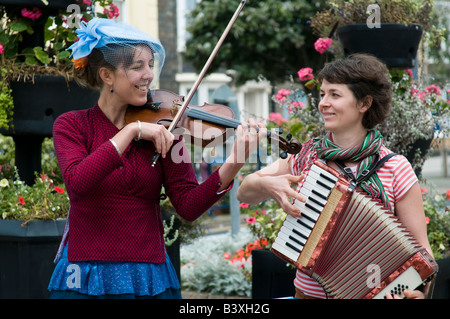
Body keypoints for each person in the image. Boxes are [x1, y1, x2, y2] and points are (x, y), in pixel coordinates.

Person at [48, 18, 265, 299]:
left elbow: (187, 205)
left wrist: (233, 163)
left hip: (147, 273)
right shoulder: (73, 125)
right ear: (107, 75)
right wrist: (131, 131)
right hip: (86, 272)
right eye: (138, 67)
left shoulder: (166, 129)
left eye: (151, 65)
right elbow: (78, 182)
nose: (149, 75)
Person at [237, 53, 435, 299]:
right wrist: (268, 184)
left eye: (335, 94)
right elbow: (244, 191)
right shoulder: (306, 155)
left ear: (364, 104)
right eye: (322, 94)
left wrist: (417, 294)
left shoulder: (395, 168)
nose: (323, 103)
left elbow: (422, 255)